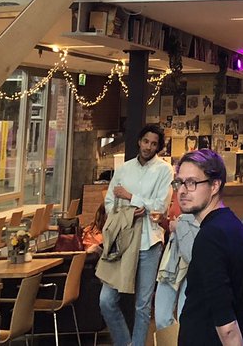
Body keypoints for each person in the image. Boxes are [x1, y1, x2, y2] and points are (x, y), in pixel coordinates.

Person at [100, 124, 173, 346]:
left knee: (142, 306)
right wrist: (131, 211)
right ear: (139, 141)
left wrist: (131, 197)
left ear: (158, 147)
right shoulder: (124, 169)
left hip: (149, 243)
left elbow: (160, 207)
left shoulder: (164, 170)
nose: (148, 147)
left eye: (153, 144)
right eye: (146, 141)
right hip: (122, 243)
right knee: (106, 300)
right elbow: (109, 203)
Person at [175, 149, 243, 346]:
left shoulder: (210, 237)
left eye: (192, 182)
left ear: (215, 186)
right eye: (179, 182)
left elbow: (227, 325)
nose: (182, 190)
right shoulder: (234, 225)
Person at [154, 202, 200, 330]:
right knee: (162, 318)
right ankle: (174, 338)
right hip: (172, 262)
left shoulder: (207, 213)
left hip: (194, 267)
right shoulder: (177, 198)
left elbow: (190, 255)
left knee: (184, 316)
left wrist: (180, 227)